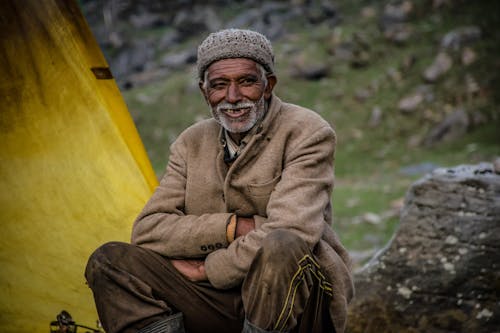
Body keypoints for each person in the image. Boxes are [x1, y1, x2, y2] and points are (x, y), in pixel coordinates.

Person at [85, 28, 354, 333]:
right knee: (110, 261)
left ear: (269, 86)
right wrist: (233, 228)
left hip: (295, 299)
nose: (233, 97)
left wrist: (209, 268)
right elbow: (148, 230)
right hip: (215, 301)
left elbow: (292, 229)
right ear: (204, 92)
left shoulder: (307, 132)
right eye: (220, 85)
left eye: (247, 82)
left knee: (282, 246)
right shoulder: (190, 142)